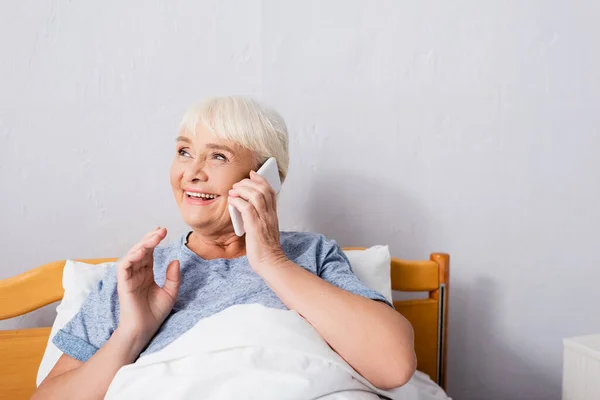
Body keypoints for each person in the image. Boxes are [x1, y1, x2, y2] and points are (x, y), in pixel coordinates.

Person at [33, 96, 416, 399]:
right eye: (184, 151)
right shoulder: (136, 278)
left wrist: (271, 261)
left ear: (267, 178)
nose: (192, 172)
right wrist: (132, 332)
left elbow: (394, 365)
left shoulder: (311, 256)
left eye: (218, 156)